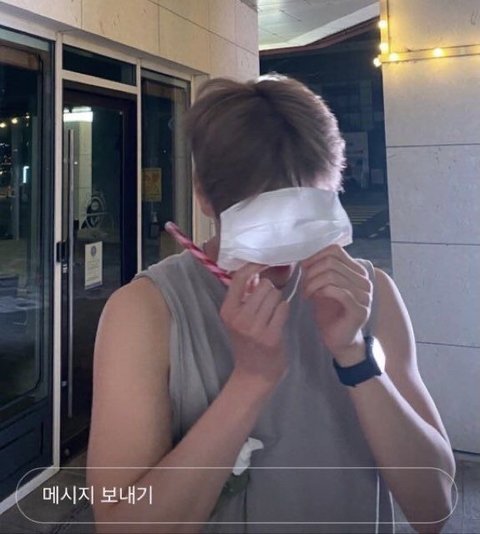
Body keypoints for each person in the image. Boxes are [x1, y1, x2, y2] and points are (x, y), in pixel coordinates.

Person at [86, 75, 456, 534]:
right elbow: (121, 524)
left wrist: (356, 358)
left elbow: (434, 506)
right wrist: (250, 381)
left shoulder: (369, 293)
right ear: (204, 197)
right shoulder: (146, 312)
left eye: (305, 221)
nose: (282, 255)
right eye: (261, 225)